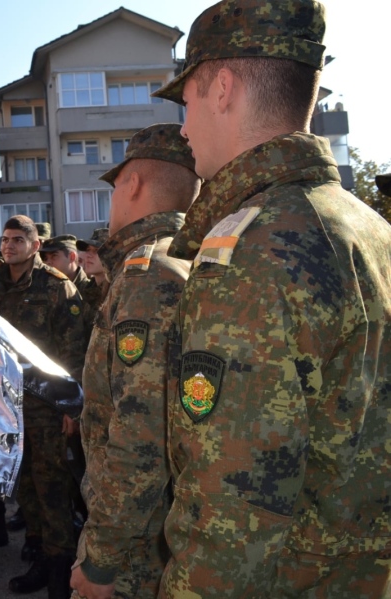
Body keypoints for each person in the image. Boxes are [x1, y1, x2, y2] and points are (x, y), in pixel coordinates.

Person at [152, 1, 391, 596]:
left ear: (223, 88)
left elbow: (232, 521)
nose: (183, 128)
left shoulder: (250, 250)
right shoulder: (370, 228)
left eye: (188, 102)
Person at [70, 123, 200, 599]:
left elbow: (139, 435)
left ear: (133, 184)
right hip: (156, 529)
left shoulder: (148, 274)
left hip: (137, 549)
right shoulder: (185, 259)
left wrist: (102, 558)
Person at [0, 215, 86, 598]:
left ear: (35, 245)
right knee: (25, 487)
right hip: (7, 407)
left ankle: (60, 574)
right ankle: (42, 559)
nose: (8, 246)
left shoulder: (57, 288)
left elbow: (74, 353)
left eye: (17, 240)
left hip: (47, 408)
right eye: (5, 239)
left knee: (53, 489)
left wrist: (71, 410)